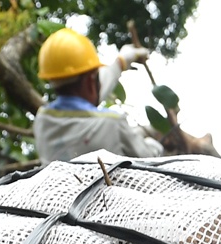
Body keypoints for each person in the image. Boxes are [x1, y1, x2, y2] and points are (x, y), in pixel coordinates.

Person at [33, 27, 158, 164]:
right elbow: (149, 158)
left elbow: (84, 102)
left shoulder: (42, 121)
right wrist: (153, 145)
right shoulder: (113, 125)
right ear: (90, 81)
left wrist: (121, 62)